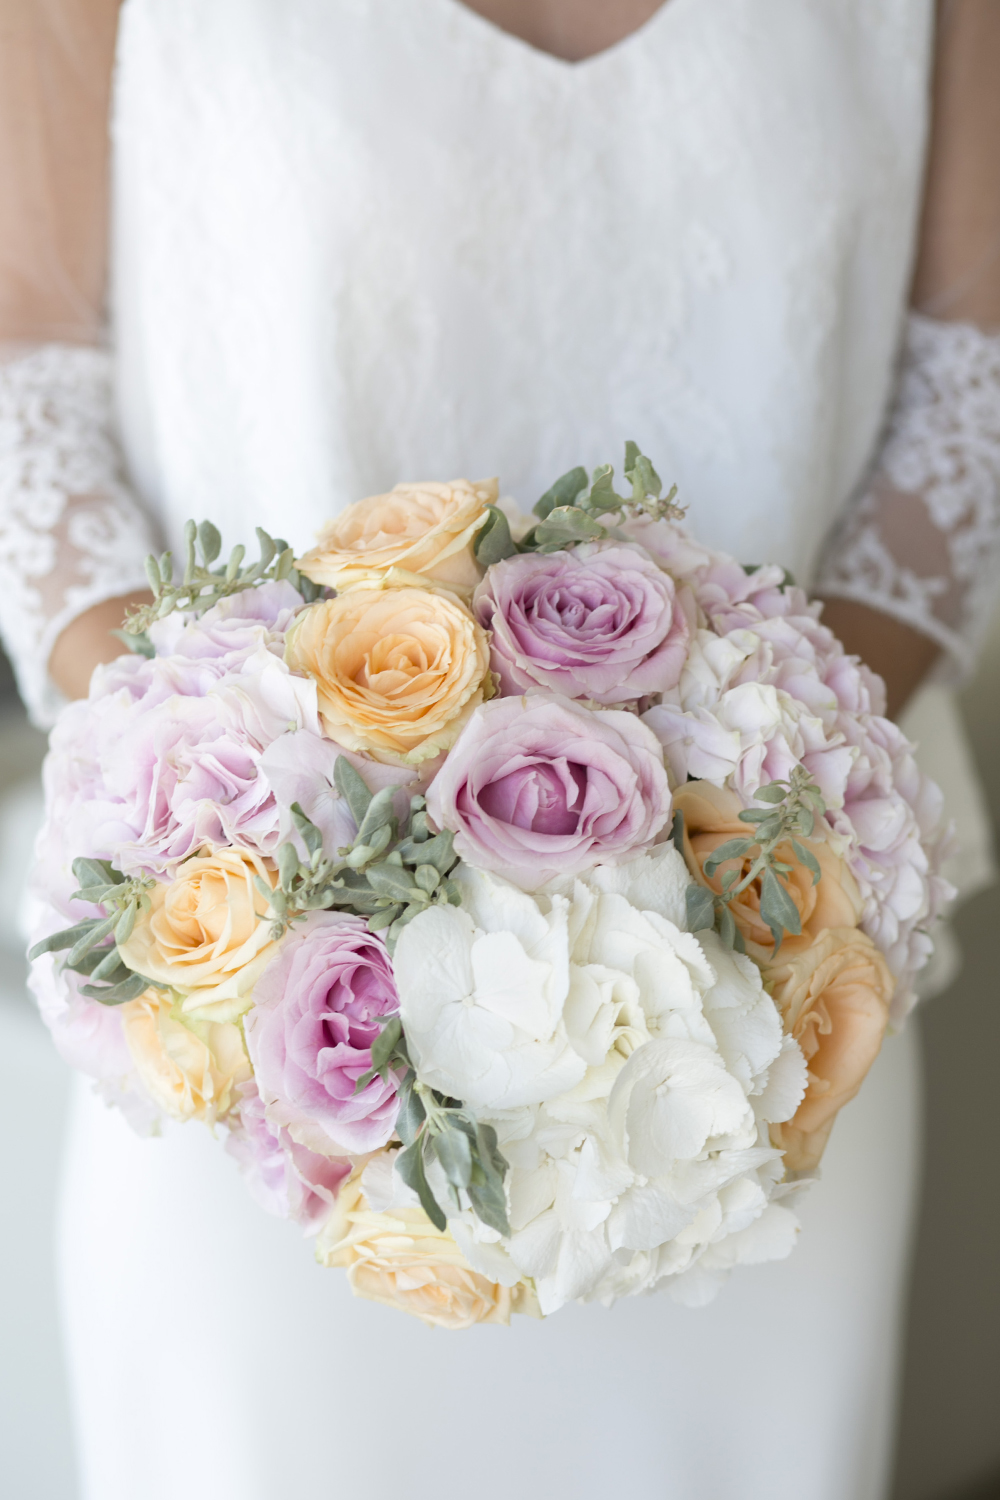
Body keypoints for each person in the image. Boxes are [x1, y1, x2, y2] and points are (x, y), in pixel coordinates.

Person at [1, 2, 998, 1497]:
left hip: (755, 1036)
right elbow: (26, 373)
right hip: (275, 1056)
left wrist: (726, 854)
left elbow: (968, 380)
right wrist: (246, 827)